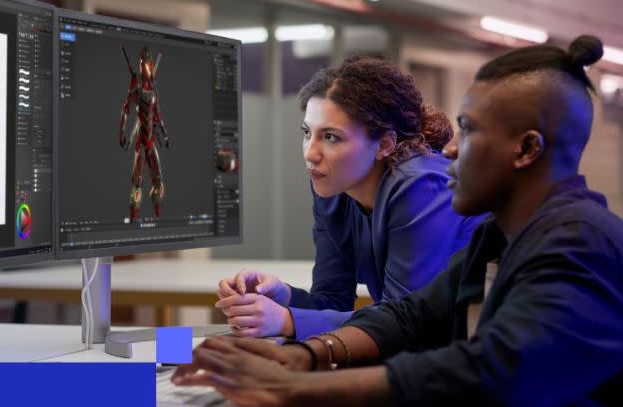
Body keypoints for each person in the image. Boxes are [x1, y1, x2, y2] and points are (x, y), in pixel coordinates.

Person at [174, 35, 623, 406]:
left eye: (469, 130)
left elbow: (494, 369)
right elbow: (409, 317)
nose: (449, 149)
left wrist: (297, 386)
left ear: (526, 150)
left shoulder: (579, 240)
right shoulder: (497, 237)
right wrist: (308, 356)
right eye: (309, 134)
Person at [216, 55, 481, 339]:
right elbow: (331, 300)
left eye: (330, 137)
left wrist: (288, 321)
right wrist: (283, 296)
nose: (310, 153)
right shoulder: (334, 189)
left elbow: (407, 323)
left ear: (384, 144)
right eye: (308, 133)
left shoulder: (422, 186)